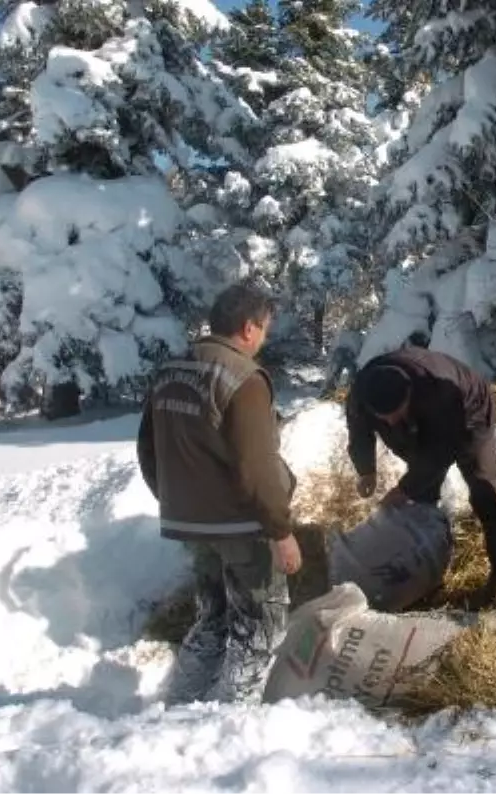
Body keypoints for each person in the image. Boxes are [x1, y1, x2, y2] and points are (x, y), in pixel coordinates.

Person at [136, 283, 301, 705]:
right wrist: (281, 531)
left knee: (213, 616)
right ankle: (231, 717)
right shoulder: (242, 378)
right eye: (264, 329)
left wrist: (175, 500)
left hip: (191, 521)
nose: (264, 338)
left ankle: (181, 701)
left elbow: (147, 448)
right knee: (260, 623)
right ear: (248, 328)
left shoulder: (171, 370)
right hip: (241, 524)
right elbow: (256, 465)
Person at [345, 346, 496, 605]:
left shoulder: (439, 391)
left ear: (409, 395)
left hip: (471, 410)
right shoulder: (362, 392)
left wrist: (403, 489)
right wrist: (366, 470)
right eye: (384, 418)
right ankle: (421, 574)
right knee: (422, 494)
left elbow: (440, 454)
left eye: (396, 414)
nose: (391, 422)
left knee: (483, 488)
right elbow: (359, 432)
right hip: (421, 417)